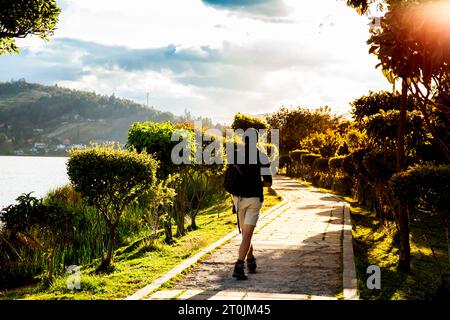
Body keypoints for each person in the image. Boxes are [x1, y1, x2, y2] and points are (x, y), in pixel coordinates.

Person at [227, 131, 272, 280]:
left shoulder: (235, 154)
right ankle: (239, 265)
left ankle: (250, 259)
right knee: (247, 233)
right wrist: (256, 183)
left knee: (245, 233)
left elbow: (229, 177)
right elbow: (268, 182)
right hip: (254, 199)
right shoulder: (262, 156)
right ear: (257, 140)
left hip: (238, 199)